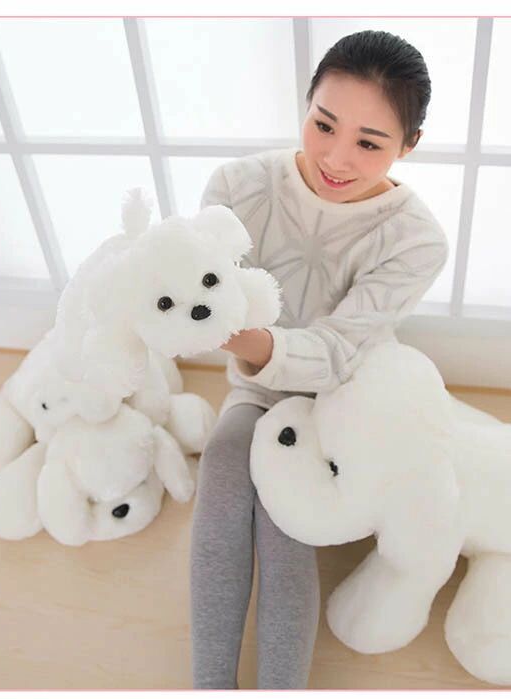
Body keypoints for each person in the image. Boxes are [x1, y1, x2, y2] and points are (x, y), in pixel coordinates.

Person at [189, 29, 448, 689]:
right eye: (324, 124)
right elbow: (201, 291)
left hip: (343, 394)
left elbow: (337, 352)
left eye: (369, 142)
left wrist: (241, 336)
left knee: (285, 517)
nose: (336, 157)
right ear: (305, 105)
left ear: (409, 145)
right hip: (256, 384)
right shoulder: (238, 187)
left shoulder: (415, 239)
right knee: (222, 475)